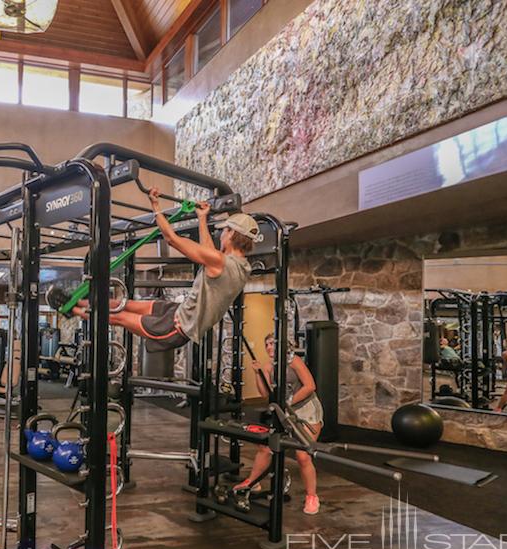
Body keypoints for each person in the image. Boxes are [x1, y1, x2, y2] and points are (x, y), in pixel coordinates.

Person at [71, 187, 256, 352]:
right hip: (178, 310)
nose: (222, 234)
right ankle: (78, 302)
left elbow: (171, 239)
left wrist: (156, 206)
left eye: (225, 230)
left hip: (176, 328)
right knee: (126, 304)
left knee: (119, 316)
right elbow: (209, 253)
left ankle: (70, 310)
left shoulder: (221, 261)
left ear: (231, 234)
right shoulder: (241, 267)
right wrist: (202, 218)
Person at [236, 334, 323, 515]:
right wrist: (258, 373)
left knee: (303, 455)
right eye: (266, 344)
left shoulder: (294, 361)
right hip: (284, 411)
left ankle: (312, 496)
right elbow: (266, 393)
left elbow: (310, 386)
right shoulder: (269, 365)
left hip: (306, 410)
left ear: (283, 345)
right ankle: (253, 482)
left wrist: (288, 403)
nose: (268, 347)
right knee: (265, 447)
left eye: (272, 344)